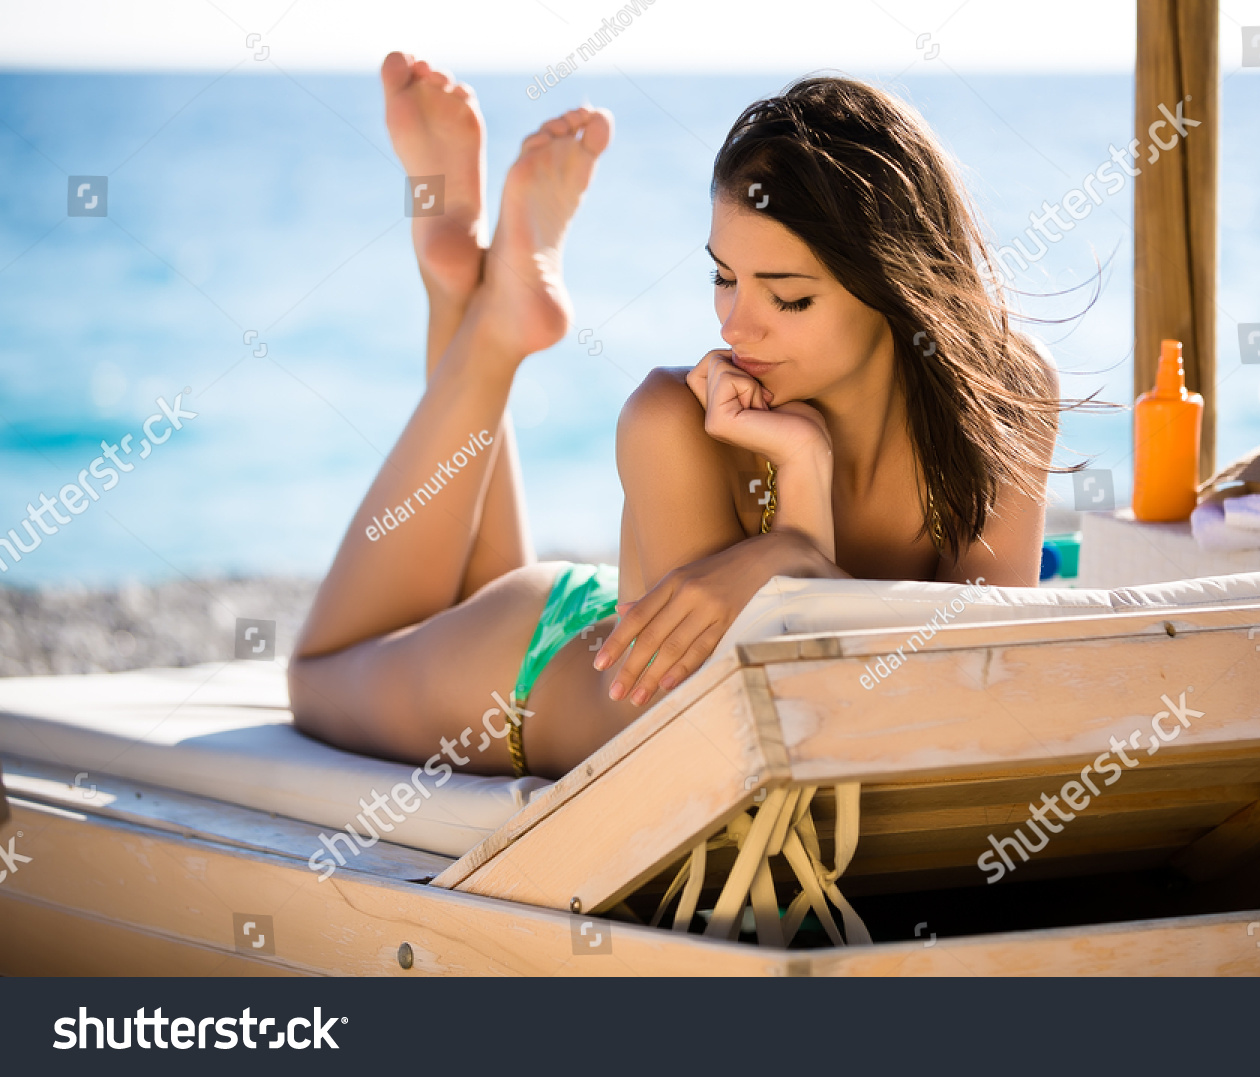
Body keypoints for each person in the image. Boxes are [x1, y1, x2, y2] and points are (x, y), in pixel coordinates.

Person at [289, 53, 1062, 780]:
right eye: (724, 278)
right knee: (317, 676)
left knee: (449, 595)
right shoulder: (675, 419)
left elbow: (978, 675)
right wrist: (788, 545)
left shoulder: (1003, 401)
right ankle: (481, 316)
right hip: (531, 671)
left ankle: (477, 293)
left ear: (896, 286)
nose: (736, 325)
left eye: (787, 296)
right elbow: (735, 734)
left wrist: (791, 548)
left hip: (632, 611)